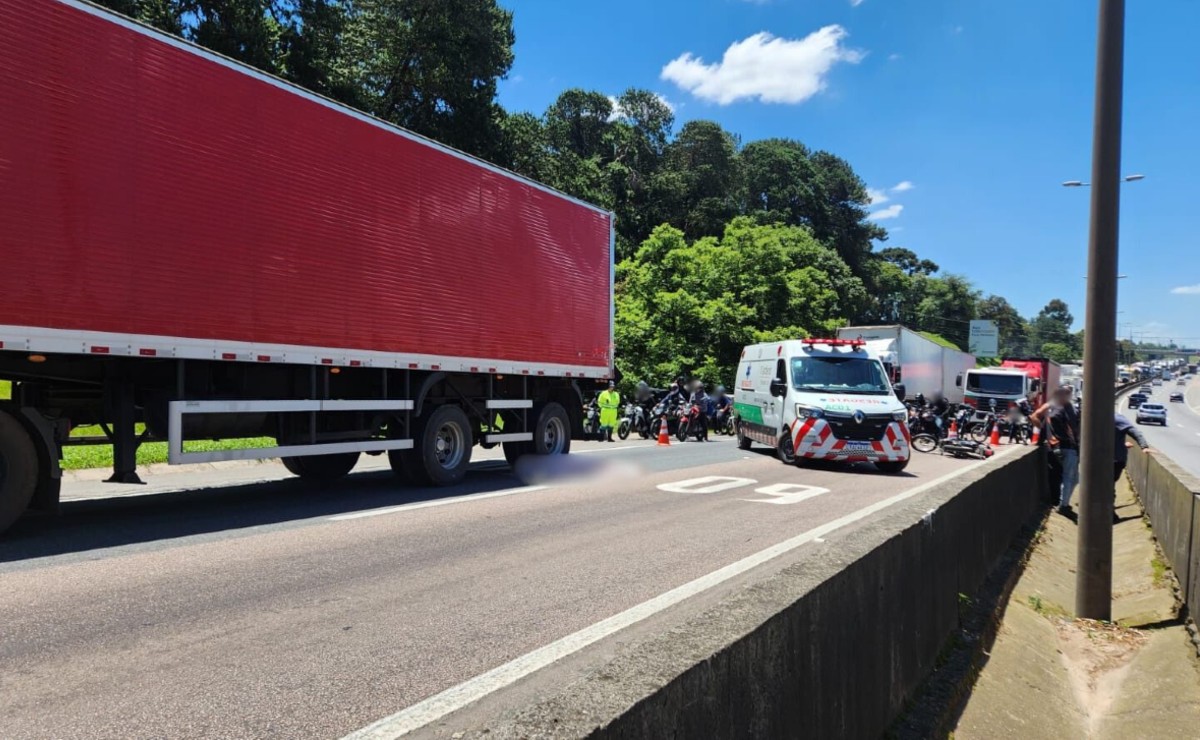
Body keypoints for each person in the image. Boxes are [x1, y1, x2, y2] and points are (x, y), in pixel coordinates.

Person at [1042, 385, 1080, 517]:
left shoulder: (1062, 407)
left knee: (1074, 478)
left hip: (1064, 446)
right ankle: (1063, 505)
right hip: (1067, 447)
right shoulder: (1062, 408)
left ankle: (1064, 503)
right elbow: (1069, 426)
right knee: (1069, 478)